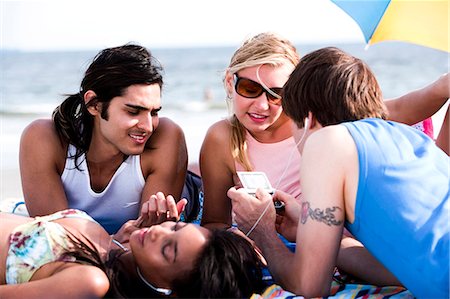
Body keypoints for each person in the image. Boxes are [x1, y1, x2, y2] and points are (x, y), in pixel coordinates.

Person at [229, 47, 449, 298]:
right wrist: (304, 231)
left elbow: (309, 287)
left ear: (308, 119)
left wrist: (263, 231)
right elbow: (400, 271)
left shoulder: (327, 141)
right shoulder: (405, 137)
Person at [199, 32, 449, 230]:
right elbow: (215, 223)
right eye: (250, 89)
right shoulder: (221, 139)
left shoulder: (313, 121)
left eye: (278, 94)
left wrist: (441, 88)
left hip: (324, 234)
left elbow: (398, 108)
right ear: (231, 82)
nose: (262, 105)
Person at [19, 44, 188, 234]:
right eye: (133, 111)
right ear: (94, 104)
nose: (148, 127)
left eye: (154, 112)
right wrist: (116, 244)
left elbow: (147, 240)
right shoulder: (44, 138)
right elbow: (58, 239)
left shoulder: (165, 137)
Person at [0, 192, 266, 298]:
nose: (157, 233)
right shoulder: (117, 244)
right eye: (174, 226)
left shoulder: (91, 282)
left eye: (167, 250)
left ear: (168, 289)